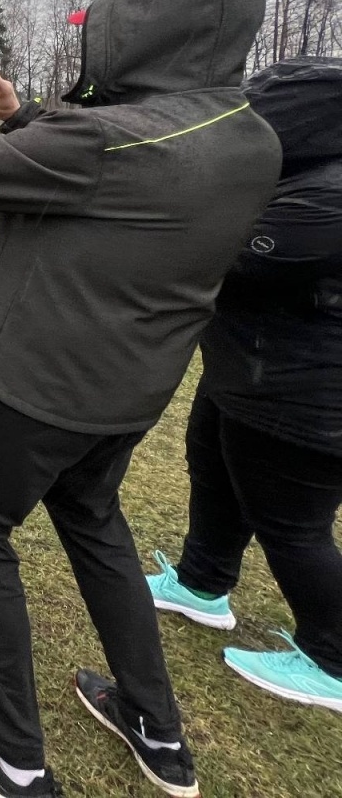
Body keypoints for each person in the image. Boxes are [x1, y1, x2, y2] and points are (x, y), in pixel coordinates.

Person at [0, 0, 280, 798]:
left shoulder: (100, 138)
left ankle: (12, 758)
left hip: (29, 389)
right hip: (131, 394)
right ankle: (156, 729)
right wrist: (21, 112)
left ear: (141, 35)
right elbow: (116, 178)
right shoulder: (251, 135)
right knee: (95, 525)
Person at [145, 57, 342, 715]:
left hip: (304, 393)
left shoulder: (327, 197)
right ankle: (203, 584)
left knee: (292, 523)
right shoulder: (300, 176)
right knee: (216, 471)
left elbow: (221, 258)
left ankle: (335, 655)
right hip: (249, 370)